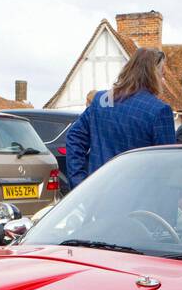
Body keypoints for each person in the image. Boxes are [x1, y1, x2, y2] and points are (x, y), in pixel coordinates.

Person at [65, 47, 176, 187]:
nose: (163, 80)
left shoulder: (100, 100)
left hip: (97, 194)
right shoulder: (159, 110)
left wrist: (79, 184)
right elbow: (166, 166)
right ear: (153, 75)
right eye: (162, 74)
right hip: (138, 200)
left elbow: (74, 138)